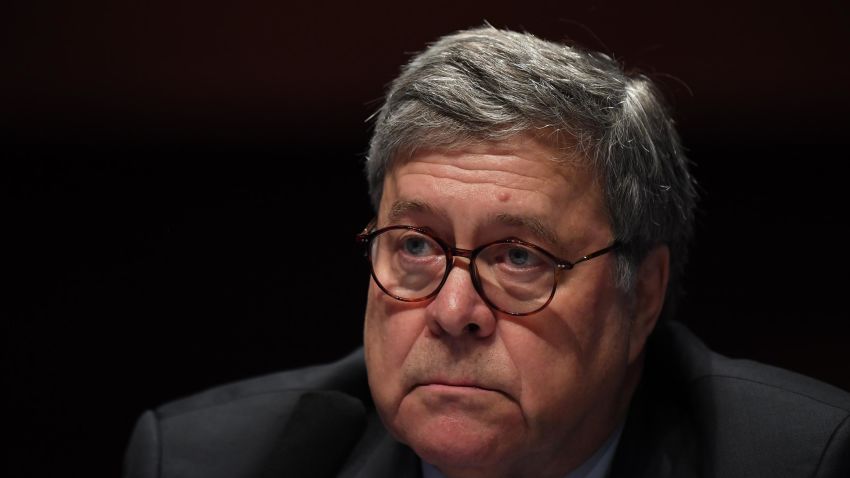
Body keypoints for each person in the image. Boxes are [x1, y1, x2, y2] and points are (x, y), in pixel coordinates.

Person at [123, 26, 850, 478]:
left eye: (520, 258)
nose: (452, 311)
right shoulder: (210, 461)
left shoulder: (802, 458)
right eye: (414, 245)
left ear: (644, 294)